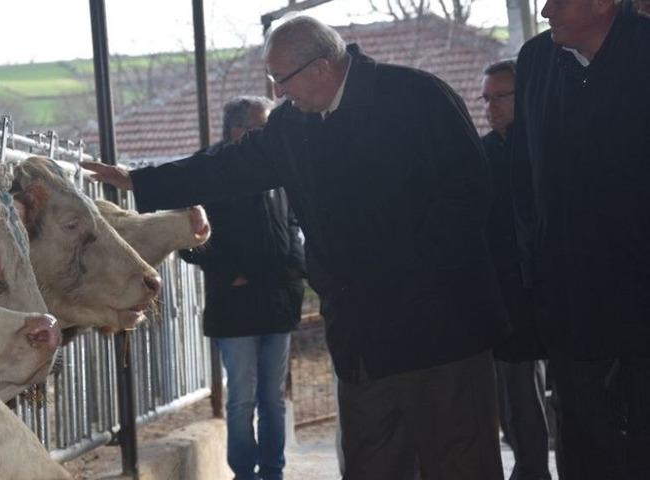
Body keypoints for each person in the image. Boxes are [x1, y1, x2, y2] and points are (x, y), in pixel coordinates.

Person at [84, 15, 510, 479]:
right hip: (362, 342)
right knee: (373, 465)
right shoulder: (291, 126)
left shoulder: (416, 96)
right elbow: (229, 167)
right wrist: (139, 179)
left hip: (440, 334)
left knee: (460, 464)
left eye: (282, 80)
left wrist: (410, 276)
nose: (279, 93)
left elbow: (469, 196)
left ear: (322, 67)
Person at [510, 0, 650, 478]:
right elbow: (524, 188)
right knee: (584, 452)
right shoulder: (534, 62)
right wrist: (539, 282)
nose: (546, 10)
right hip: (571, 318)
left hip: (641, 314)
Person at [178, 96, 305, 480]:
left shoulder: (277, 167)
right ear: (237, 130)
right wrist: (230, 272)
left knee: (273, 400)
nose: (267, 135)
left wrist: (295, 268)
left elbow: (294, 223)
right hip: (235, 306)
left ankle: (273, 472)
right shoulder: (209, 170)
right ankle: (244, 474)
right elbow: (188, 240)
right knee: (242, 400)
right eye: (261, 128)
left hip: (278, 302)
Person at [479, 59, 551, 480]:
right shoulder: (483, 153)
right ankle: (531, 470)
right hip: (507, 296)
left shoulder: (547, 144)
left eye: (500, 97)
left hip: (556, 290)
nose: (491, 106)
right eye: (486, 99)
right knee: (516, 398)